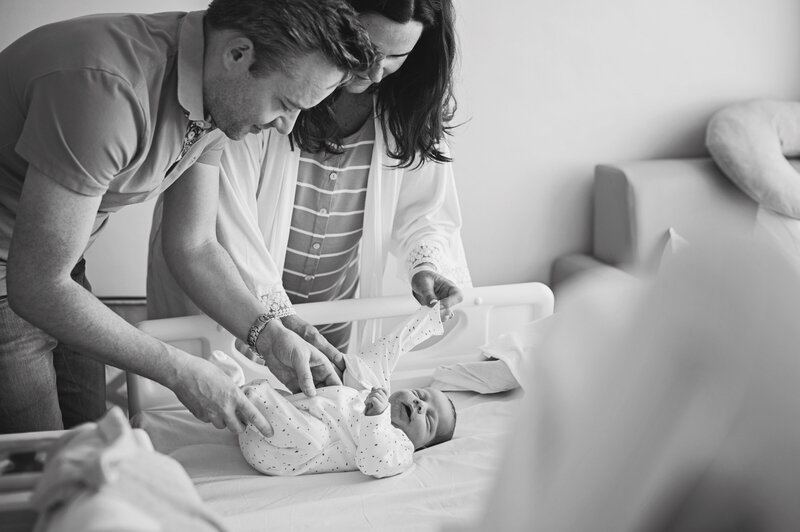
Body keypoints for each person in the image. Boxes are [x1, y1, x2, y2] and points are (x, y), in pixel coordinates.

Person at [0, 0, 376, 434]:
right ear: (238, 54)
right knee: (43, 470)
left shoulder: (214, 96)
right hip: (26, 275)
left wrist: (269, 335)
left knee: (89, 440)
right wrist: (179, 370)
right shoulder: (107, 90)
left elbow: (193, 244)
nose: (287, 127)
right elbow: (37, 285)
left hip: (56, 266)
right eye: (285, 103)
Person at [147, 0, 471, 356]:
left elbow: (427, 211)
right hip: (237, 311)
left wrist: (425, 264)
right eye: (369, 51)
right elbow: (218, 225)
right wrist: (273, 318)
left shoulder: (405, 110)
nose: (377, 71)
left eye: (397, 56)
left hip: (334, 320)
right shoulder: (263, 94)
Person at [238, 303, 456, 478]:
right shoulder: (373, 387)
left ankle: (249, 394)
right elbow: (391, 346)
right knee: (292, 401)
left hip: (279, 455)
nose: (421, 406)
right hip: (268, 423)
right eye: (420, 396)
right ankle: (239, 399)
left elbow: (374, 462)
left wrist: (377, 418)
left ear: (422, 446)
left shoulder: (400, 449)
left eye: (428, 420)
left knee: (315, 436)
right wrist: (430, 317)